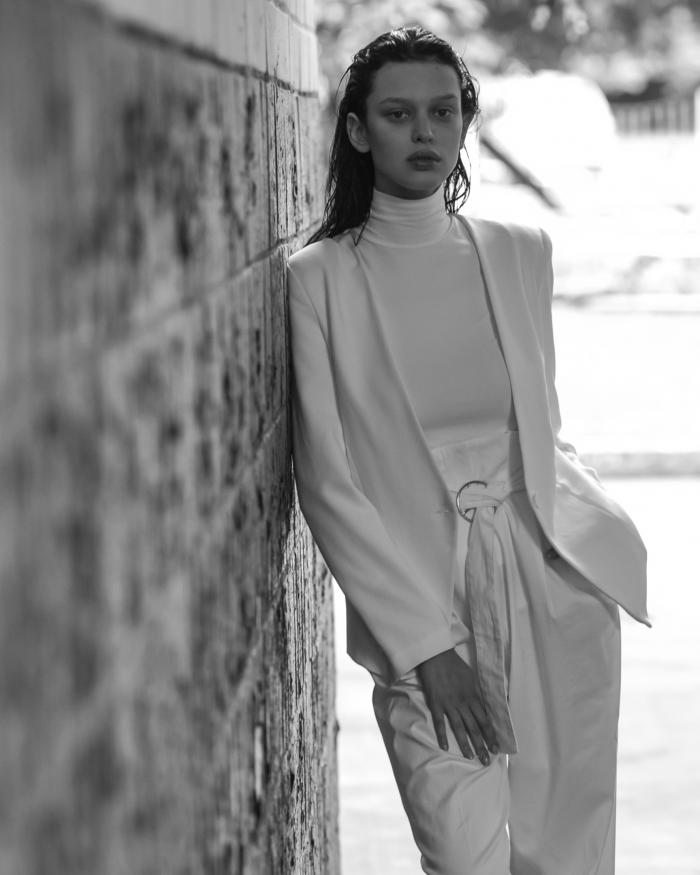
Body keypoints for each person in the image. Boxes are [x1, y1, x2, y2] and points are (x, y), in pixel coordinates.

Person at [287, 25, 649, 875]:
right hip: (424, 594)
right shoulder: (319, 278)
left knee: (568, 853)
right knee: (463, 852)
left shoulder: (520, 252)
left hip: (554, 579)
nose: (424, 132)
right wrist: (424, 646)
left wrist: (591, 537)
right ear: (357, 130)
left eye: (443, 111)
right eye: (398, 114)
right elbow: (329, 483)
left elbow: (545, 429)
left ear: (463, 122)